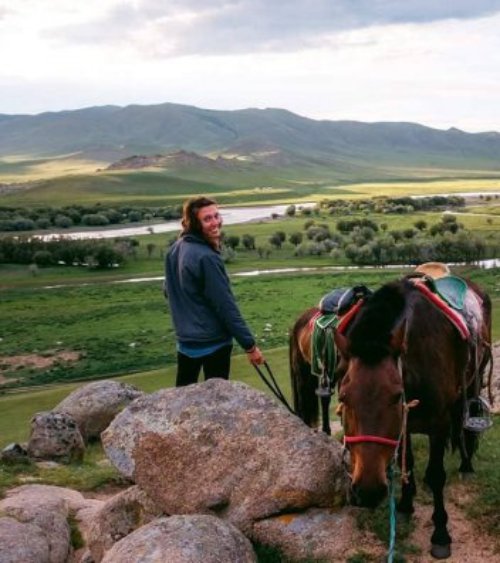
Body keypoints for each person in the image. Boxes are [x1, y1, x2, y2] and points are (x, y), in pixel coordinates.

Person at [165, 196, 265, 386]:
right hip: (214, 344)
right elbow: (225, 306)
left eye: (216, 216)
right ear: (195, 223)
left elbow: (168, 290)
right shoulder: (206, 257)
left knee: (182, 400)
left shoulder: (175, 249)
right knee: (216, 403)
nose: (215, 222)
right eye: (207, 219)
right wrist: (250, 347)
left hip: (185, 342)